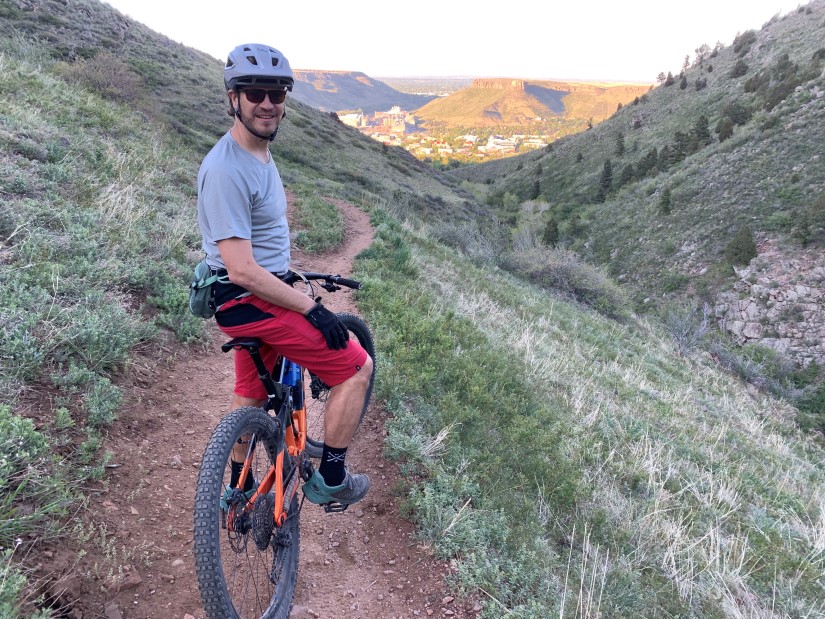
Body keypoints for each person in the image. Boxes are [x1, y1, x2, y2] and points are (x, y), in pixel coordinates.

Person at [197, 43, 372, 507]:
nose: (267, 102)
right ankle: (331, 481)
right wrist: (312, 307)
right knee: (356, 369)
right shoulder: (227, 169)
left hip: (247, 300)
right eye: (254, 91)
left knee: (250, 397)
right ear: (232, 98)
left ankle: (237, 489)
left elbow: (254, 249)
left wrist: (285, 273)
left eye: (277, 92)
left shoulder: (257, 154)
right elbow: (241, 268)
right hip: (251, 301)